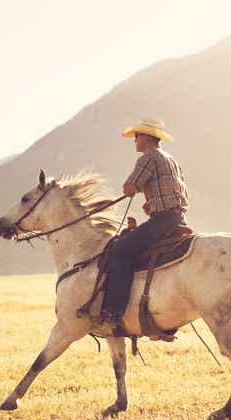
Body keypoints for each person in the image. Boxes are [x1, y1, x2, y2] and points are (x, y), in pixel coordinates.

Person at [101, 117, 189, 326]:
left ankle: (113, 312)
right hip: (177, 217)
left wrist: (135, 188)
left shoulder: (148, 158)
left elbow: (128, 188)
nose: (134, 141)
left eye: (137, 136)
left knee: (120, 251)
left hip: (163, 220)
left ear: (147, 138)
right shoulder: (170, 159)